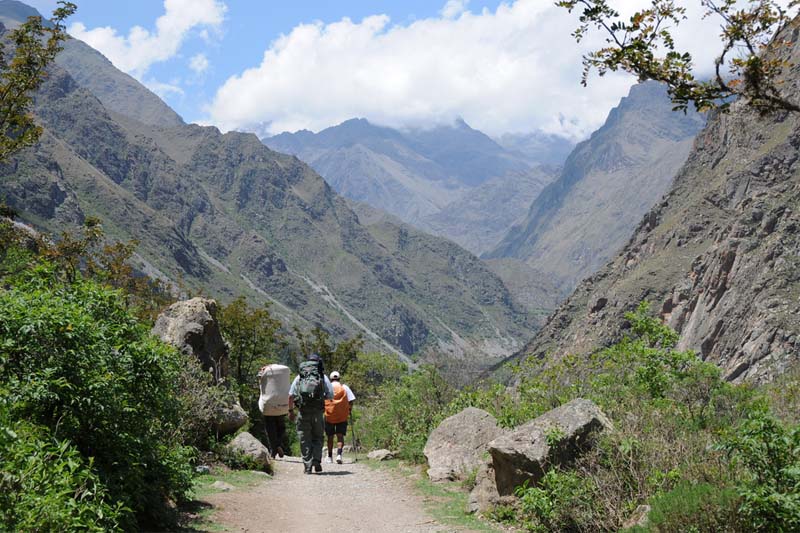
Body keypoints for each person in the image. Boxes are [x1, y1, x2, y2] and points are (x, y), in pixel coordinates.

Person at [288, 353, 334, 474]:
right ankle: (317, 461)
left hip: (303, 411)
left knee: (304, 437)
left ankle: (307, 466)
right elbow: (330, 396)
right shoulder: (323, 377)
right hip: (318, 412)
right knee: (318, 436)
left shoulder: (300, 377)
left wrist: (290, 411)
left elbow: (291, 395)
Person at [257, 363, 291, 459]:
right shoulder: (284, 370)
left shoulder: (264, 372)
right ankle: (278, 444)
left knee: (270, 429)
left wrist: (262, 371)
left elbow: (260, 383)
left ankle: (274, 449)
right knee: (281, 427)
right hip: (282, 403)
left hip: (268, 404)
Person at [324, 371, 356, 464]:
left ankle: (329, 457)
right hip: (342, 416)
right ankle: (339, 455)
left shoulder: (327, 387)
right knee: (340, 436)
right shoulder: (344, 387)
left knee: (330, 436)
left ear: (331, 379)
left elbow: (322, 399)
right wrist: (349, 410)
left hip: (329, 415)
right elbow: (351, 400)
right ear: (339, 378)